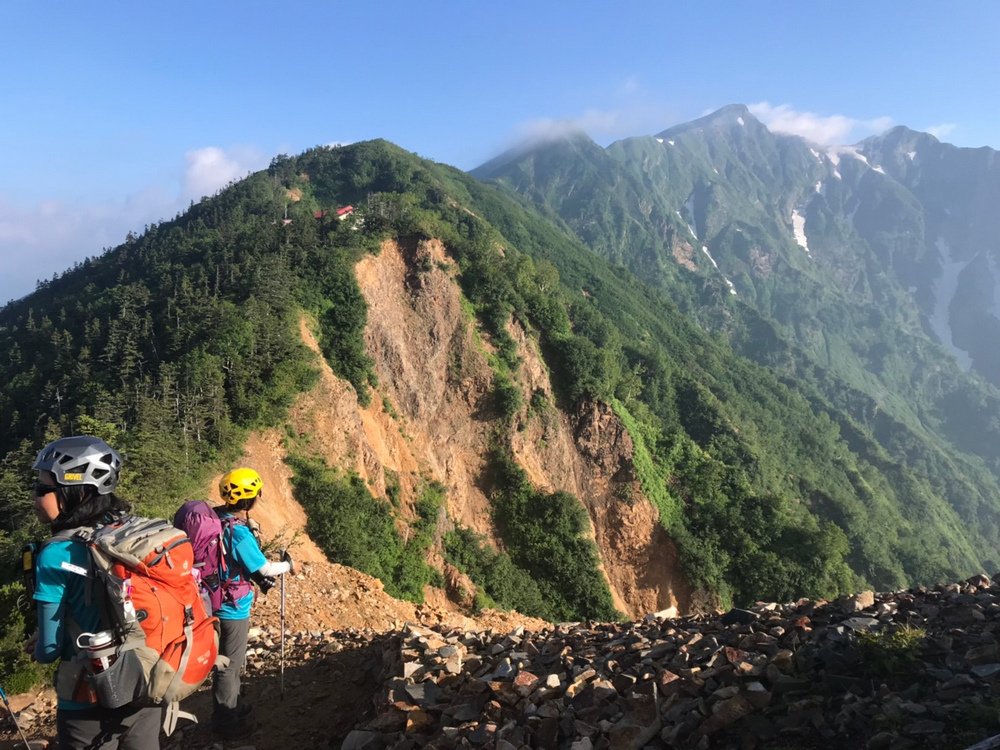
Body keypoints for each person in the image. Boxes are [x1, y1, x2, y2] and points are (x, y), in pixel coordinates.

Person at [26, 435, 164, 749]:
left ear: (72, 491)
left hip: (87, 701)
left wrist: (44, 640)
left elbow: (48, 651)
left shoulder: (56, 554)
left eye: (42, 489)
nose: (35, 498)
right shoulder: (129, 534)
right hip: (144, 680)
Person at [211, 467, 294, 740]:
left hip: (212, 600)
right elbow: (264, 568)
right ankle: (227, 723)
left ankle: (231, 708)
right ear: (251, 498)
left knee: (227, 662)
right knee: (229, 665)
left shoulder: (216, 517)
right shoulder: (238, 532)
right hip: (231, 607)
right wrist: (288, 565)